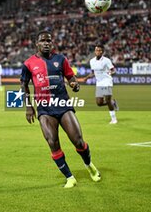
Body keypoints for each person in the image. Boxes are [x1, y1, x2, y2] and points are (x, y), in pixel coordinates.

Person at [20, 30, 101, 188]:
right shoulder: (29, 63)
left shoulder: (60, 59)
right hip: (44, 108)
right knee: (52, 142)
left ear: (52, 43)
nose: (46, 43)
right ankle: (69, 177)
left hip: (63, 104)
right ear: (37, 44)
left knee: (78, 140)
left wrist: (74, 84)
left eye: (49, 41)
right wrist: (28, 106)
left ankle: (89, 165)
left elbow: (70, 76)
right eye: (43, 41)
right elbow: (23, 84)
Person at [84, 43, 119, 124]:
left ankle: (114, 119)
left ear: (102, 52)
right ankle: (113, 103)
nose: (97, 52)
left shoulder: (106, 60)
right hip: (99, 83)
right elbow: (93, 72)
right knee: (99, 103)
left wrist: (111, 72)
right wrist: (86, 78)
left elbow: (113, 69)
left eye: (99, 50)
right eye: (96, 50)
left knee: (107, 99)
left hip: (107, 81)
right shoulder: (92, 61)